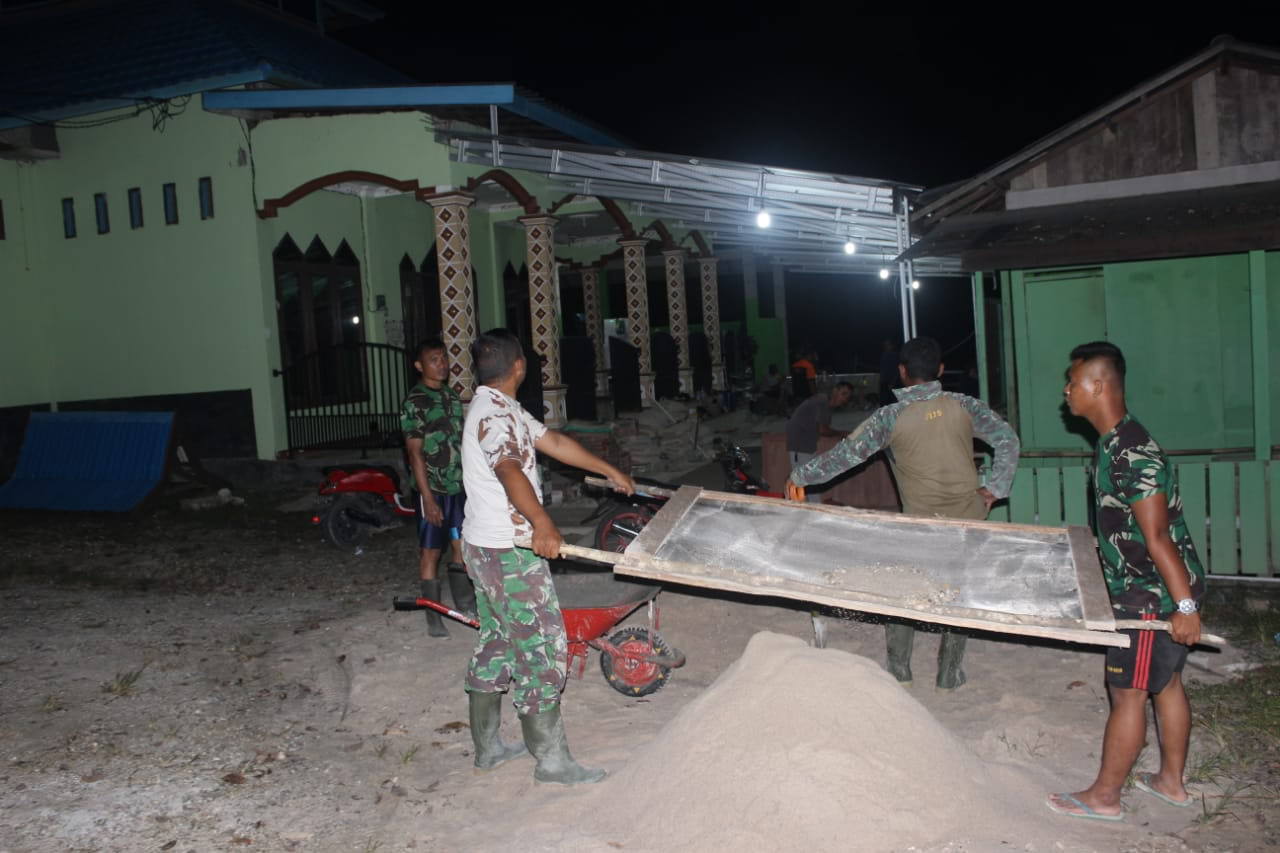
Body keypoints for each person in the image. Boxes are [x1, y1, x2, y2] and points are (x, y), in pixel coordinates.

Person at [786, 337, 1020, 689]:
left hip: (919, 524)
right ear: (940, 370)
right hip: (969, 516)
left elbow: (844, 456)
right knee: (958, 591)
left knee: (904, 589)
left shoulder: (889, 417)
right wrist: (995, 488)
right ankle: (949, 672)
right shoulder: (964, 405)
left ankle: (900, 670)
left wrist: (799, 475)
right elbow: (1008, 440)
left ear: (901, 372)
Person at [461, 328, 635, 784]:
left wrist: (607, 469)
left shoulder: (499, 408)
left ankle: (489, 748)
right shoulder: (494, 416)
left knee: (498, 638)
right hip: (508, 550)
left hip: (485, 545)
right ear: (519, 366)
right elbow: (508, 469)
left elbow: (552, 442)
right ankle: (551, 760)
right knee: (540, 645)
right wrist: (542, 523)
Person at [1046, 341, 1205, 822]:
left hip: (1151, 598)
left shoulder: (1133, 452)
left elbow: (1157, 538)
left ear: (1097, 385)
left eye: (1072, 382)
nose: (1066, 391)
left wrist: (1184, 609)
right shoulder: (1114, 441)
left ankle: (1105, 796)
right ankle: (1170, 783)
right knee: (1167, 682)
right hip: (1155, 591)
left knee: (1128, 692)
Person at [401, 337, 473, 639]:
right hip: (432, 490)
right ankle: (433, 614)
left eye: (444, 358)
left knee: (460, 546)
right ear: (419, 366)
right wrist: (427, 498)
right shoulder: (416, 401)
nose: (442, 364)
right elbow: (414, 453)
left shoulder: (452, 397)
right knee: (430, 552)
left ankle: (464, 605)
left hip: (457, 487)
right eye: (434, 359)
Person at [785, 382, 853, 502]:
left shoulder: (822, 403)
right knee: (804, 482)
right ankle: (804, 510)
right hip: (800, 446)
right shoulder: (822, 403)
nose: (845, 399)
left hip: (807, 445)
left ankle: (813, 509)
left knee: (809, 482)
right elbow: (823, 430)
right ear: (834, 391)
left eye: (847, 396)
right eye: (843, 394)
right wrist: (842, 433)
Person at [878, 339, 899, 406]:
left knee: (893, 401)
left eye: (888, 345)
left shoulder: (894, 355)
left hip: (892, 382)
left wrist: (892, 382)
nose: (886, 346)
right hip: (884, 382)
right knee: (883, 401)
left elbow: (896, 370)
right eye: (885, 345)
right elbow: (883, 369)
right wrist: (881, 380)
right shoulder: (884, 355)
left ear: (892, 346)